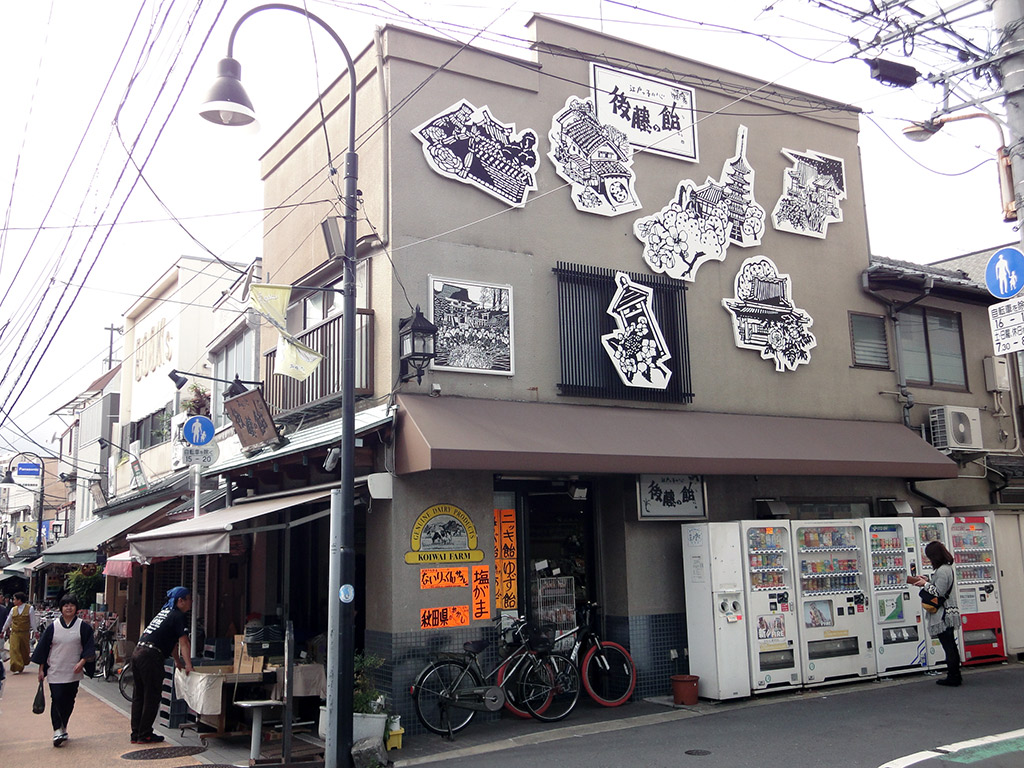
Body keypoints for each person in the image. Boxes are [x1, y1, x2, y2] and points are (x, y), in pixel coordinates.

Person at [129, 586, 193, 744]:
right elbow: (183, 642)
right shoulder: (178, 615)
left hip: (138, 652)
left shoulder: (164, 613)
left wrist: (177, 661)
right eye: (189, 599)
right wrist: (189, 665)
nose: (191, 602)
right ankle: (144, 734)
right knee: (152, 696)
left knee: (139, 695)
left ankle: (136, 733)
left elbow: (170, 642)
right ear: (181, 601)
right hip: (151, 656)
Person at [30, 593, 95, 747]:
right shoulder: (53, 627)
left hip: (73, 671)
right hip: (55, 670)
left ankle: (63, 726)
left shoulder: (83, 627)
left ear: (76, 608)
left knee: (69, 701)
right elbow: (44, 649)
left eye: (71, 605)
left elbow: (89, 647)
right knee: (57, 698)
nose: (68, 608)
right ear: (61, 608)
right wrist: (41, 670)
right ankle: (56, 730)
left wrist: (82, 662)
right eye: (65, 605)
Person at [909, 540, 961, 687]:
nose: (928, 559)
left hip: (944, 614)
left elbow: (938, 592)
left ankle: (953, 676)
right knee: (950, 645)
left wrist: (924, 584)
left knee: (948, 646)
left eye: (929, 556)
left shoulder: (943, 570)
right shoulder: (946, 568)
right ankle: (955, 675)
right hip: (948, 612)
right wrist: (928, 580)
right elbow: (939, 586)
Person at [1, 592, 36, 673]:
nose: (13, 601)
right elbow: (8, 621)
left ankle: (23, 662)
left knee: (24, 650)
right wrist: (3, 630)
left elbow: (33, 621)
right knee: (14, 649)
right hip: (14, 633)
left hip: (24, 633)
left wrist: (35, 631)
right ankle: (16, 666)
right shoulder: (13, 609)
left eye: (14, 599)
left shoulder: (30, 608)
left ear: (19, 600)